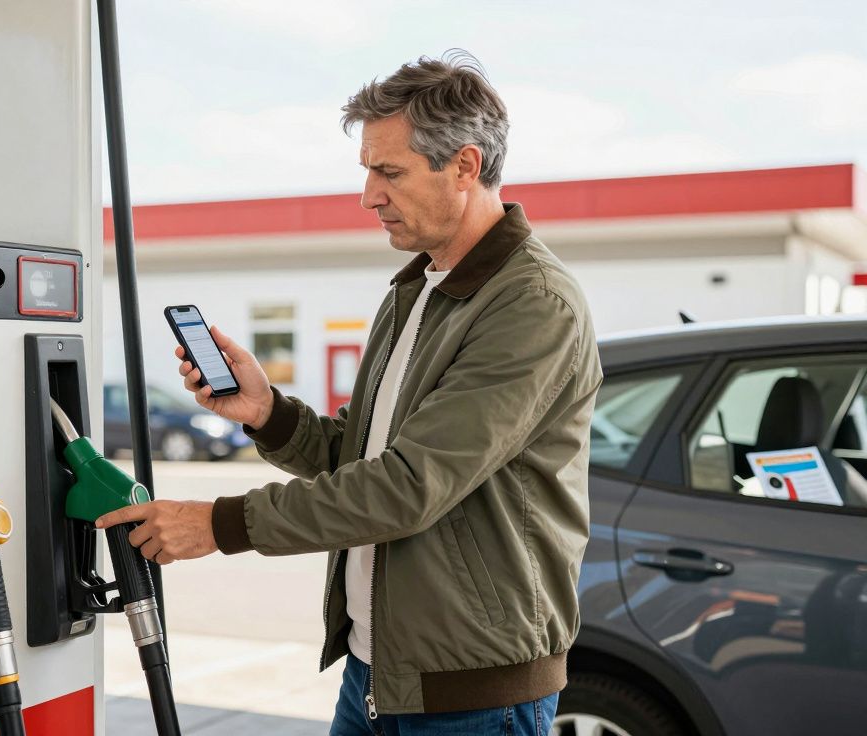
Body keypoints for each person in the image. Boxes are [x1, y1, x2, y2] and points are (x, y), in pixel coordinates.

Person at [97, 52, 602, 735]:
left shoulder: (532, 305)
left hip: (474, 696)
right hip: (378, 673)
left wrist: (219, 524)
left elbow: (407, 486)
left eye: (389, 172)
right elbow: (366, 459)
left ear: (465, 166)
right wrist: (270, 415)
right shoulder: (417, 291)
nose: (369, 196)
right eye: (367, 171)